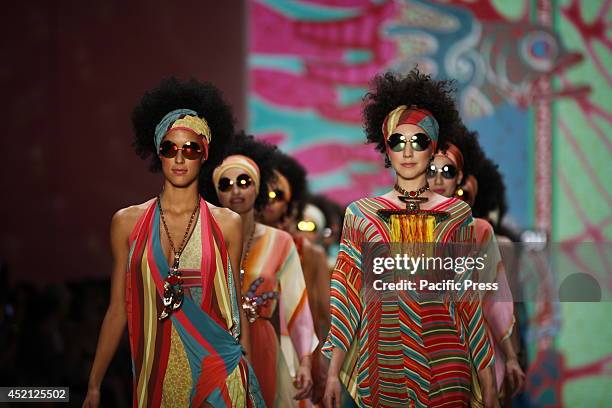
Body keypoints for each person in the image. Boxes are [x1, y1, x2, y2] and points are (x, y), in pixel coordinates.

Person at [322, 69, 499, 408]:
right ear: (384, 148)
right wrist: (332, 374)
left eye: (418, 141)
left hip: (447, 363)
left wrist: (488, 381)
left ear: (433, 148)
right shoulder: (362, 214)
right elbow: (347, 297)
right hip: (383, 364)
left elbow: (467, 299)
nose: (406, 151)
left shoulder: (458, 216)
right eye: (396, 142)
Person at [83, 78, 264, 407]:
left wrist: (249, 376)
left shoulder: (227, 224)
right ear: (158, 153)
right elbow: (117, 309)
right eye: (170, 148)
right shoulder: (126, 223)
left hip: (220, 371)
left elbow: (234, 306)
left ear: (204, 154)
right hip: (157, 374)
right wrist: (94, 383)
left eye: (191, 149)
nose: (180, 158)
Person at [203, 133, 318, 407]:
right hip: (215, 346)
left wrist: (304, 362)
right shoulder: (204, 240)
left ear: (258, 187)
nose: (236, 190)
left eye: (244, 182)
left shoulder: (279, 242)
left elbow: (297, 306)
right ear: (216, 192)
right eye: (226, 183)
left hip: (264, 345)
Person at [428, 130, 525, 404]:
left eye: (446, 171)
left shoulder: (480, 231)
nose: (437, 179)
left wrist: (511, 357)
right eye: (430, 171)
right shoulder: (402, 229)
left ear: (459, 178)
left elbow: (496, 300)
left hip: (474, 354)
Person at [259, 152, 331, 405]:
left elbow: (324, 309)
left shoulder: (308, 252)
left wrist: (320, 361)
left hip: (297, 345)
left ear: (291, 203)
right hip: (251, 343)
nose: (269, 202)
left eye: (278, 196)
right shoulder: (238, 240)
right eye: (264, 194)